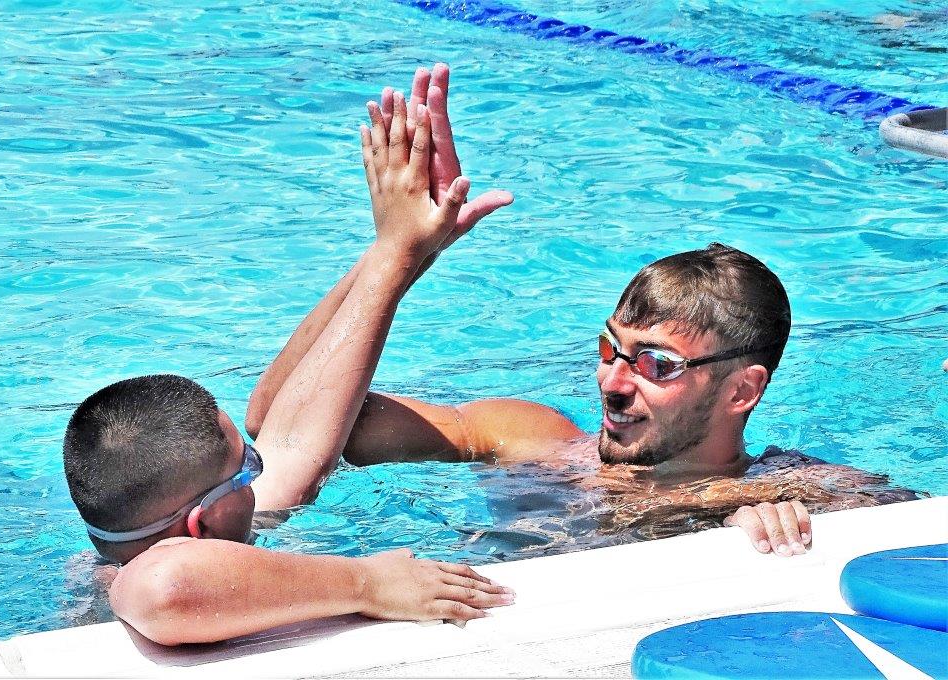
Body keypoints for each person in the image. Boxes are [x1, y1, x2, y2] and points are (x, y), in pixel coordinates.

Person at [245, 64, 919, 559]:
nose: (612, 382)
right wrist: (397, 253)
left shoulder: (809, 492)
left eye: (656, 364)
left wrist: (770, 525)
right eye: (609, 350)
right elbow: (275, 425)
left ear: (742, 390)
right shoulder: (529, 442)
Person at [62, 89, 515, 646]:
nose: (261, 466)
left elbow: (297, 436)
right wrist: (369, 583)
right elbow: (165, 587)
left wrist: (403, 248)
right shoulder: (120, 588)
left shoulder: (199, 532)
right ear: (202, 523)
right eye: (247, 468)